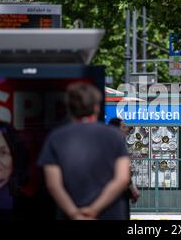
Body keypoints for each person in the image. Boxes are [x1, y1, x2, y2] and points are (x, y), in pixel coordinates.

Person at [38, 82, 131, 220]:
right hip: (109, 213)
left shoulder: (55, 138)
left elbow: (53, 184)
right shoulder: (114, 136)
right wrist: (94, 210)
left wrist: (75, 214)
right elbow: (122, 178)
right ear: (96, 107)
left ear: (69, 108)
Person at [108, 117, 140, 219]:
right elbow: (122, 173)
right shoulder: (115, 145)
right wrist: (132, 188)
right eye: (123, 127)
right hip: (117, 194)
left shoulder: (113, 144)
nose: (127, 129)